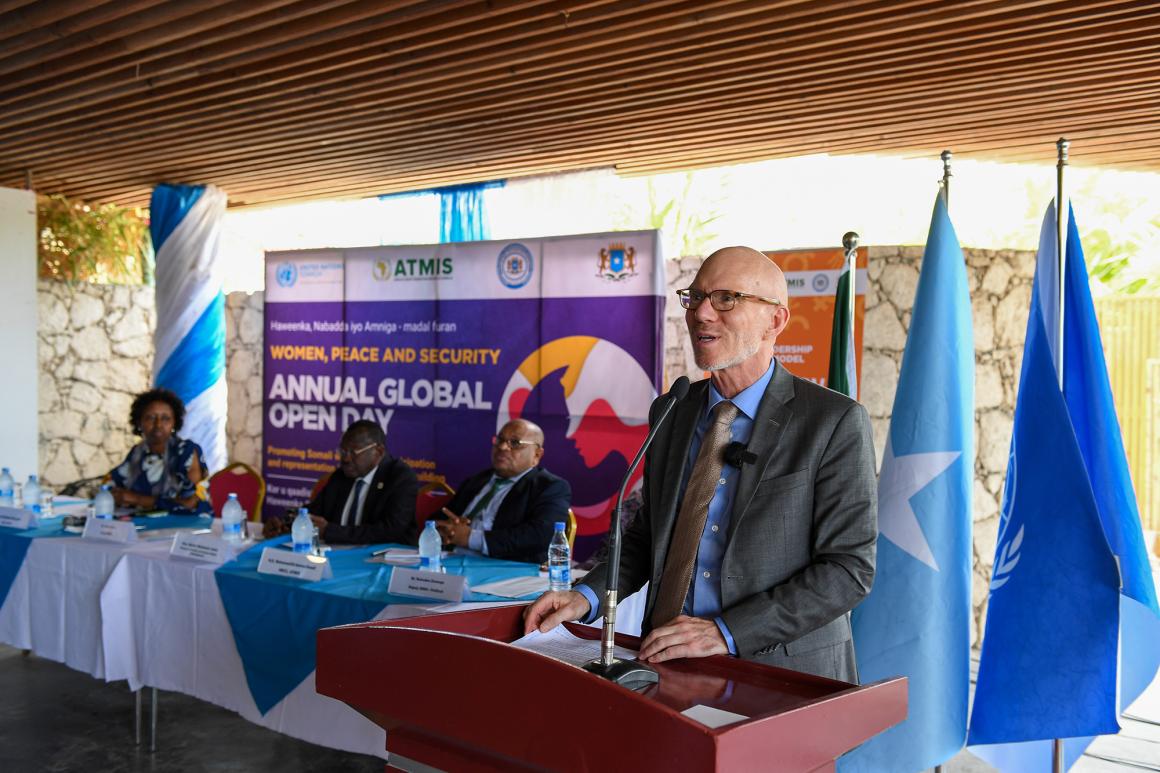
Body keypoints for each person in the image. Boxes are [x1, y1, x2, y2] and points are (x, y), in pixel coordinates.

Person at [524, 246, 878, 682]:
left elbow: (847, 570)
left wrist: (725, 633)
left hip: (781, 673)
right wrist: (586, 597)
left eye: (726, 298)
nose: (702, 313)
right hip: (667, 663)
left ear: (776, 320)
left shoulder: (832, 421)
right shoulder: (672, 411)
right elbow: (647, 538)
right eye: (695, 297)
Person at [436, 419, 571, 564]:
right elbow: (439, 517)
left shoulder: (550, 487)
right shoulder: (477, 480)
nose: (502, 447)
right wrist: (447, 528)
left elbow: (540, 535)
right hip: (450, 560)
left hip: (504, 569)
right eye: (499, 440)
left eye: (515, 443)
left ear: (536, 455)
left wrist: (470, 538)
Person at [265, 420, 418, 545]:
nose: (345, 458)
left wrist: (330, 531)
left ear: (378, 451)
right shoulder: (342, 475)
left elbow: (390, 531)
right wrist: (286, 523)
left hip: (382, 561)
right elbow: (315, 511)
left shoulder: (400, 478)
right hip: (337, 555)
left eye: (353, 452)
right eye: (343, 451)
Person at [109, 387, 211, 514]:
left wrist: (138, 499)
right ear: (140, 423)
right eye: (151, 418)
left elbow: (191, 503)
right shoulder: (138, 452)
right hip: (143, 526)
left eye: (165, 418)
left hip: (186, 527)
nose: (158, 424)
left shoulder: (186, 452)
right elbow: (114, 483)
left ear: (174, 423)